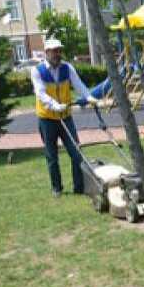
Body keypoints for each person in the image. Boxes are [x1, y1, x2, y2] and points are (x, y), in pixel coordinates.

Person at [30, 38, 99, 198]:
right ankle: (57, 188)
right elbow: (40, 93)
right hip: (47, 118)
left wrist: (89, 96)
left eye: (59, 50)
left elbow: (78, 84)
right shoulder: (37, 71)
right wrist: (54, 105)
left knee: (76, 152)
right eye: (54, 51)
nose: (57, 54)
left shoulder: (67, 68)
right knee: (52, 155)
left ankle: (79, 187)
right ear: (46, 53)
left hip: (66, 117)